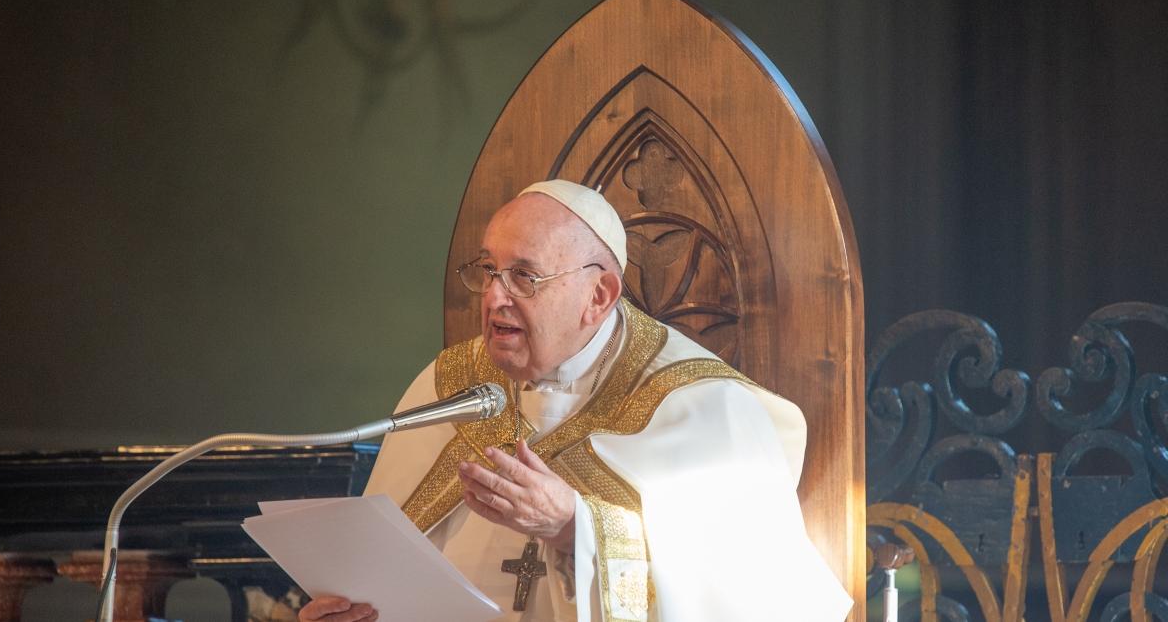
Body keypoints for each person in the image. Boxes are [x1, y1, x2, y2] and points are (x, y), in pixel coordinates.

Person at [300, 180, 852, 621]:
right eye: (489, 270)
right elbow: (385, 573)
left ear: (599, 295)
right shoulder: (452, 387)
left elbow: (747, 599)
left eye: (524, 276)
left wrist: (573, 529)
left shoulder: (704, 409)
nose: (494, 297)